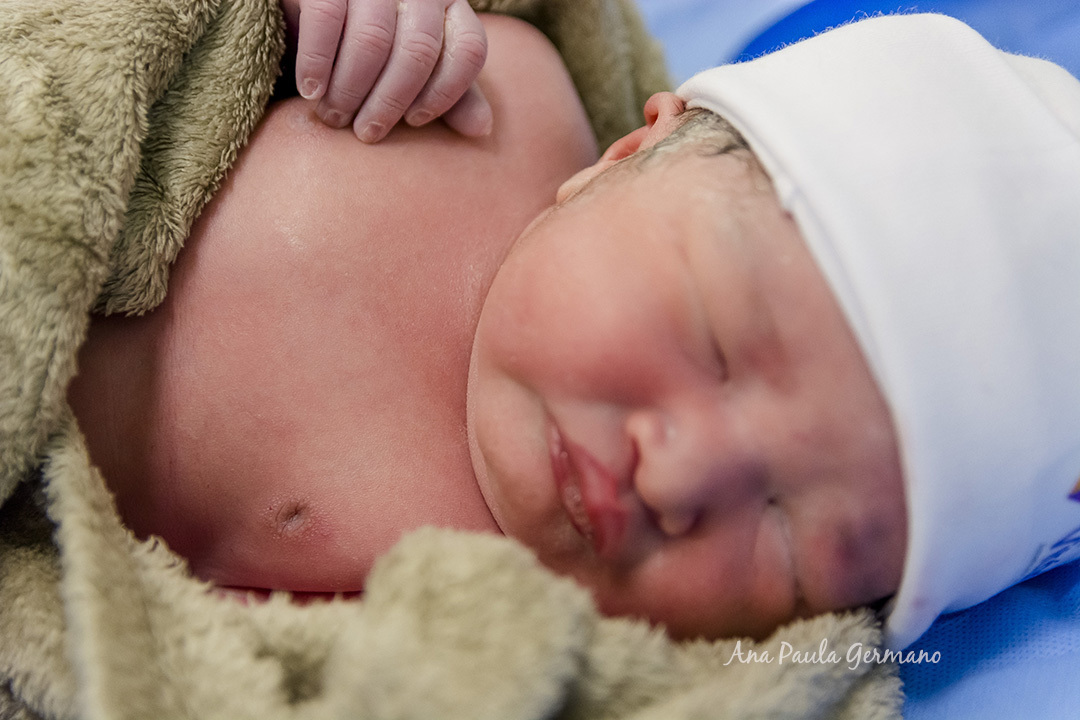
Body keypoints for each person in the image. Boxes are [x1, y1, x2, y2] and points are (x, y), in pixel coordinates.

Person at [68, 7, 1080, 651]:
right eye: (717, 343)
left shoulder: (482, 628)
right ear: (635, 146)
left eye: (791, 534)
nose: (679, 480)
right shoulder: (488, 79)